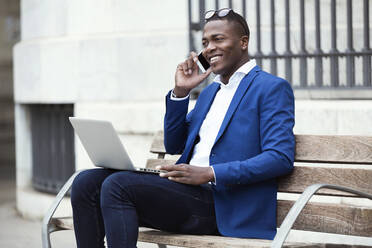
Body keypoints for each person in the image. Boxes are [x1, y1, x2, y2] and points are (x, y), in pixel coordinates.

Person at [70, 8, 295, 248]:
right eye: (205, 42)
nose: (209, 48)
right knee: (86, 183)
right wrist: (180, 93)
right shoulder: (211, 92)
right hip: (187, 194)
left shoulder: (270, 88)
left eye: (218, 39)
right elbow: (175, 144)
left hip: (225, 206)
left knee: (118, 186)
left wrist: (210, 173)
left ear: (243, 42)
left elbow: (279, 158)